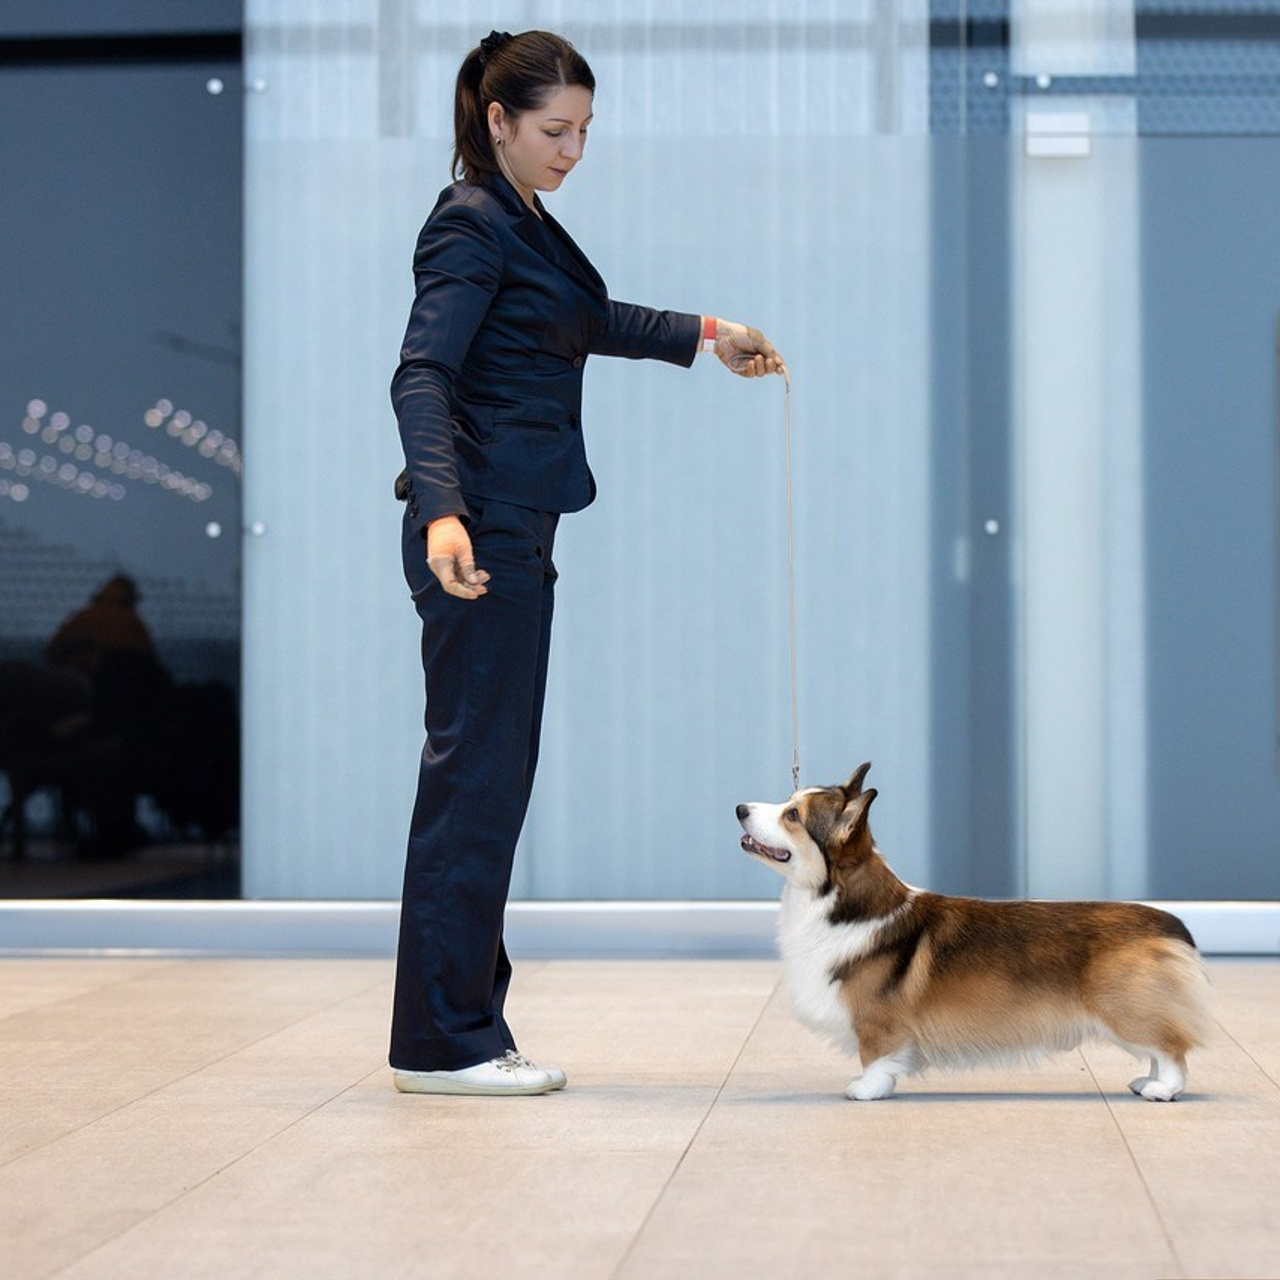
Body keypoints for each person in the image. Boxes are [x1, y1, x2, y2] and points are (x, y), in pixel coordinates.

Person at [389, 28, 785, 1097]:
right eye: (554, 130)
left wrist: (706, 330)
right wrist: (441, 513)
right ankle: (442, 1041)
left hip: (514, 526)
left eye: (584, 132)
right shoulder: (470, 220)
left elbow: (578, 317)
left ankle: (465, 1024)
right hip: (477, 533)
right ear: (498, 123)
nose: (572, 150)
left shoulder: (521, 222)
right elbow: (420, 373)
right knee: (472, 782)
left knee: (489, 778)